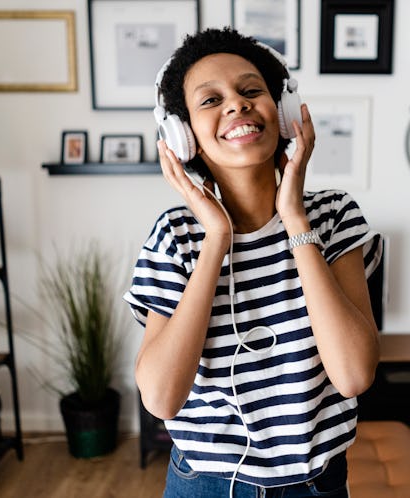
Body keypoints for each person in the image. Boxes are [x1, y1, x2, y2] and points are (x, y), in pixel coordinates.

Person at [125, 27, 382, 498]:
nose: (237, 105)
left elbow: (353, 376)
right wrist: (216, 238)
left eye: (250, 91)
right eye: (210, 100)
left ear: (282, 113)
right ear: (184, 138)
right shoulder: (176, 237)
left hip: (316, 484)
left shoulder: (333, 216)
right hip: (204, 483)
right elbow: (162, 398)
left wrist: (294, 217)